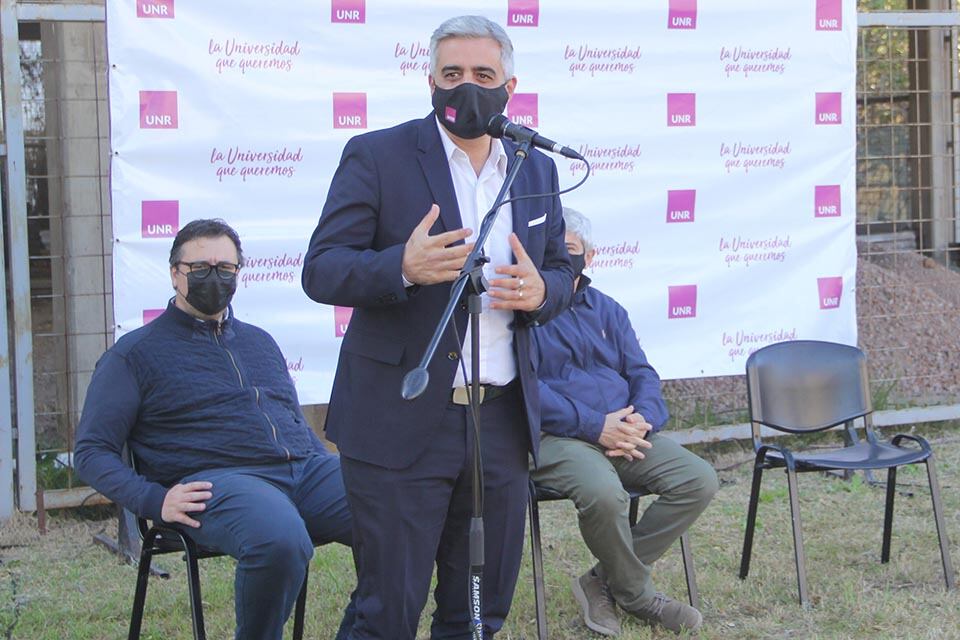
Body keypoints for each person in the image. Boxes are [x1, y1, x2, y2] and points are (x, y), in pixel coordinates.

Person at [301, 15, 574, 640]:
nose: (466, 87)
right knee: (387, 612)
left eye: (483, 74)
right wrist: (400, 265)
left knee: (479, 613)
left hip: (501, 424)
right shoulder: (377, 155)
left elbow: (561, 272)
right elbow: (322, 270)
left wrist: (542, 291)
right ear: (429, 80)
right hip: (400, 422)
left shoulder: (535, 169)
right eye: (452, 74)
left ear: (511, 85)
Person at [74, 219, 356, 640]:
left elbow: (291, 419)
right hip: (221, 482)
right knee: (280, 539)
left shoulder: (260, 342)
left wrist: (320, 462)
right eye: (201, 267)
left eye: (226, 268)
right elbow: (92, 451)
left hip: (303, 470)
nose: (215, 277)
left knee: (399, 508)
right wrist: (153, 499)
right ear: (175, 273)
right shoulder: (133, 355)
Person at [529, 207, 718, 636]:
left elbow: (642, 374)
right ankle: (637, 596)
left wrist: (642, 420)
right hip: (557, 437)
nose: (561, 258)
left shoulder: (608, 310)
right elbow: (527, 391)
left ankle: (600, 580)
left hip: (625, 432)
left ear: (590, 257)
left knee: (698, 479)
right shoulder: (522, 312)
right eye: (551, 250)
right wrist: (596, 425)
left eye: (571, 250)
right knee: (604, 494)